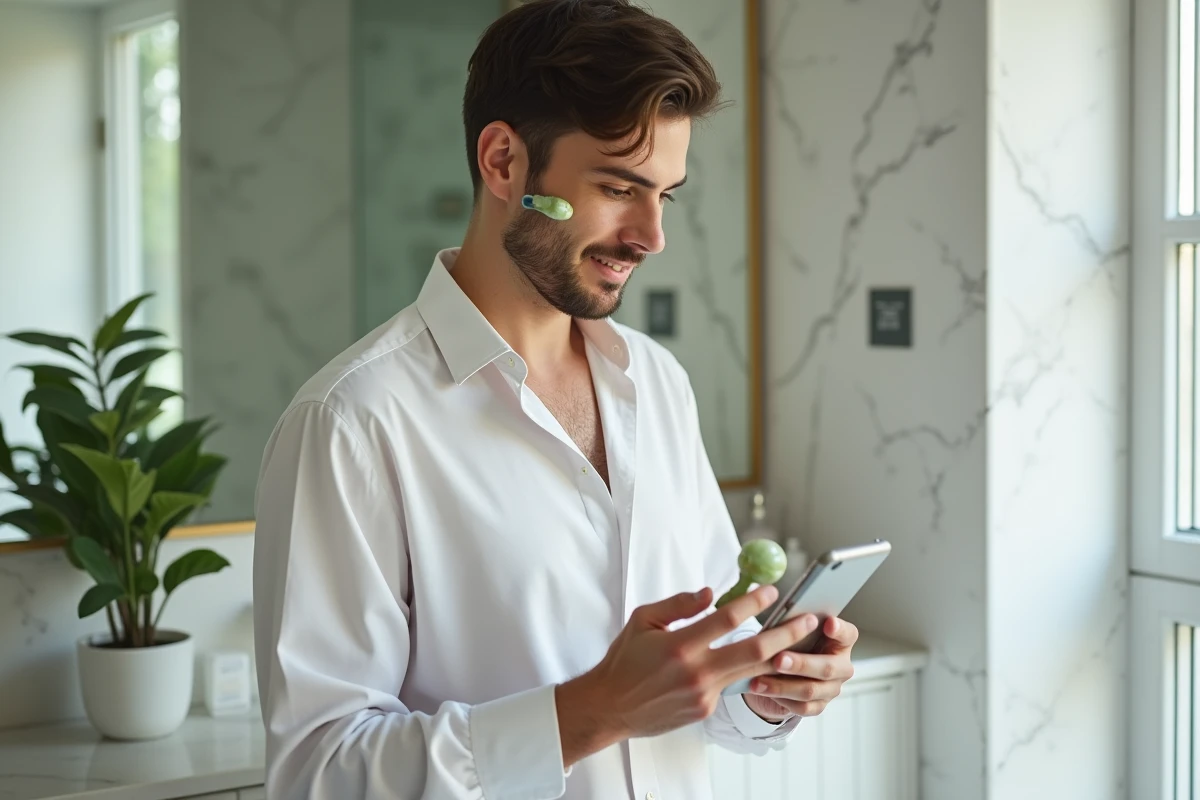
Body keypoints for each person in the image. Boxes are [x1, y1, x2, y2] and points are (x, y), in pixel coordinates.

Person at [251, 1, 859, 797]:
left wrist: (766, 685)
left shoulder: (658, 384)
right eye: (618, 186)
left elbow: (698, 678)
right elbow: (317, 774)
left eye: (666, 196)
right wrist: (587, 715)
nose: (651, 236)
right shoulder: (352, 423)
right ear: (504, 162)